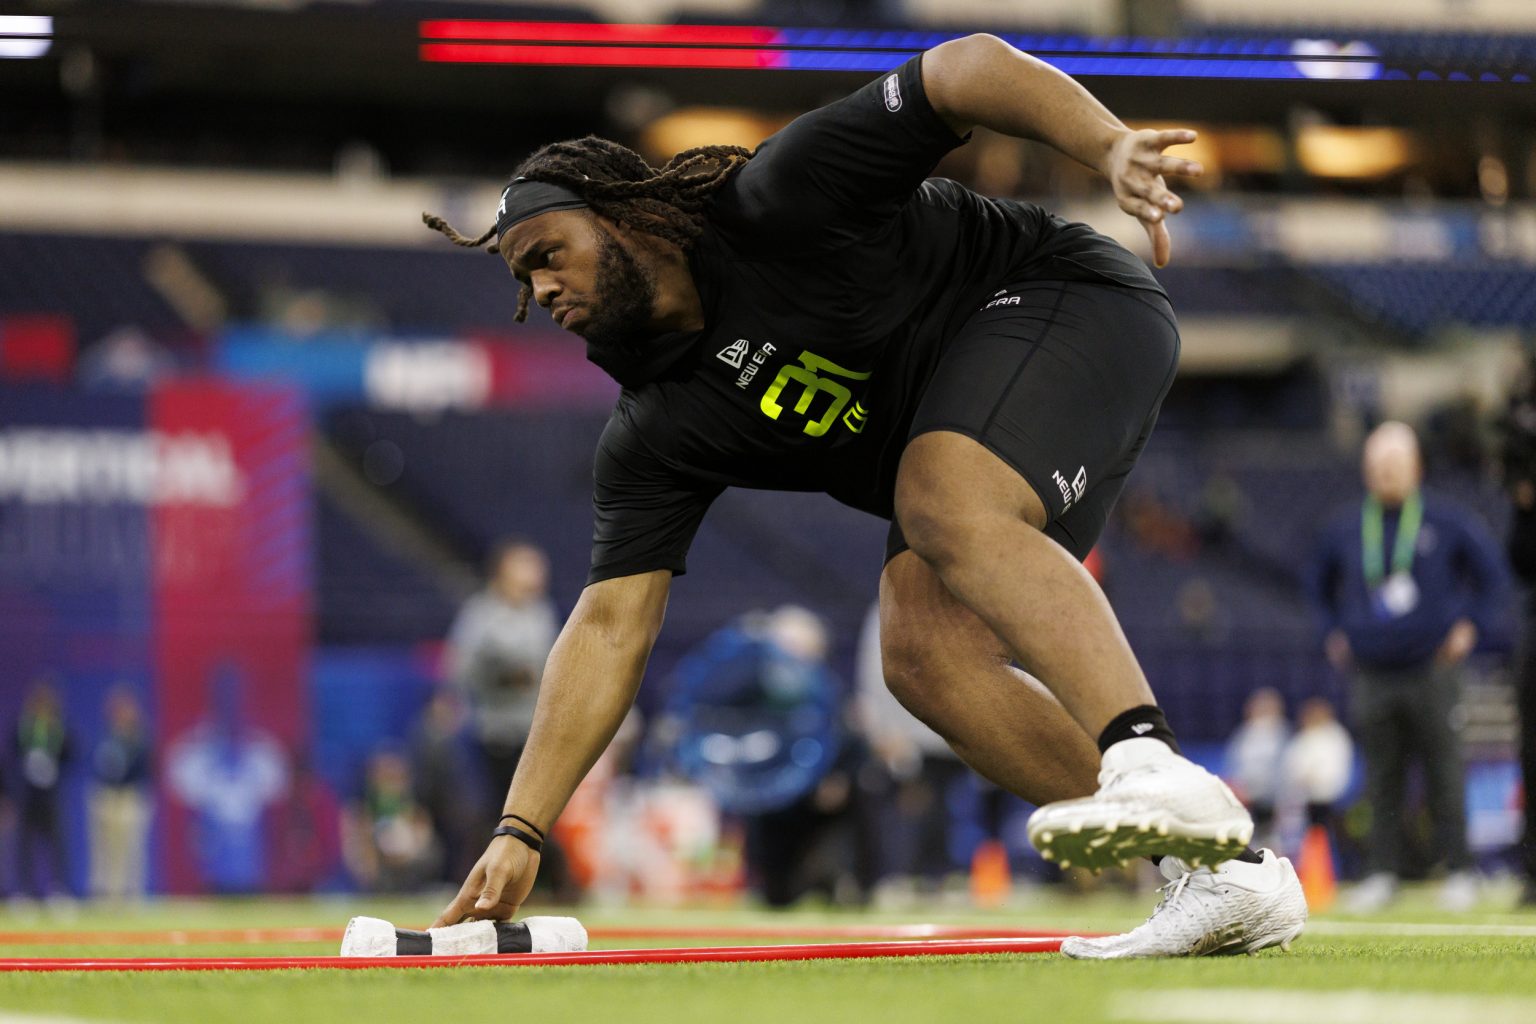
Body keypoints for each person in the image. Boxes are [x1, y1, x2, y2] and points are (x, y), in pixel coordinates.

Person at [423, 35, 1306, 957]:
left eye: (548, 252)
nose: (542, 286)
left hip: (1070, 300)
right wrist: (520, 828)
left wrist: (1104, 142)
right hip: (966, 439)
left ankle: (1145, 754)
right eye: (523, 279)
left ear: (622, 215)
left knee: (937, 494)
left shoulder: (776, 199)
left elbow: (961, 70)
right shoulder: (655, 430)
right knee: (922, 654)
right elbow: (608, 624)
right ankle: (1225, 874)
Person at [1308, 421, 1510, 912]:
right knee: (1380, 776)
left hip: (1432, 669)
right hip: (1372, 671)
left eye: (1394, 464)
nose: (1385, 473)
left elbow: (1493, 579)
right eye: (1376, 465)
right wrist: (1331, 630)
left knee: (1445, 770)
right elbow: (1316, 585)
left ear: (1416, 467)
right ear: (1365, 470)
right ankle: (1380, 873)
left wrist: (1470, 627)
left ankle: (1460, 871)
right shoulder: (1346, 526)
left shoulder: (1447, 520)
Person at [444, 540, 558, 811]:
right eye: (526, 567)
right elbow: (458, 667)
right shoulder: (481, 614)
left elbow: (550, 665)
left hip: (532, 732)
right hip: (490, 733)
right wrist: (506, 676)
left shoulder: (541, 613)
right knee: (492, 811)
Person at [88, 685, 152, 903]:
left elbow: (147, 768)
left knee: (132, 848)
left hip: (129, 796)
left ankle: (133, 895)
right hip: (106, 795)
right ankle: (106, 895)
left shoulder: (139, 738)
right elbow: (96, 765)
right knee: (105, 849)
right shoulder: (105, 734)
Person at [1223, 688, 1290, 851]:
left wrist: (1260, 790)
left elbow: (1283, 768)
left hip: (1270, 795)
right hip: (1246, 793)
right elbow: (1234, 764)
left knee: (1269, 833)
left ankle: (1273, 859)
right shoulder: (1245, 734)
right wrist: (1240, 788)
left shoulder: (1280, 734)